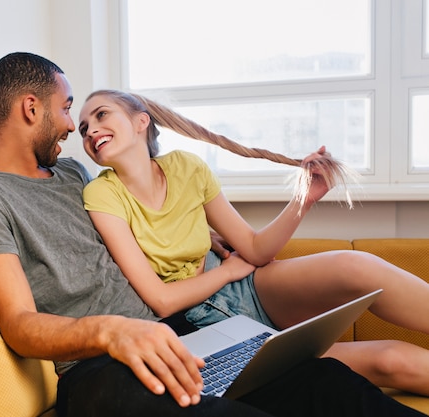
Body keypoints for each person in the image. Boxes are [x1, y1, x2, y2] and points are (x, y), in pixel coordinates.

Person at [0, 51, 427, 417]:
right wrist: (111, 331)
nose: (73, 128)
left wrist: (204, 238)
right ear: (30, 108)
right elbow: (20, 323)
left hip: (183, 337)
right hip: (99, 368)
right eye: (67, 109)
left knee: (325, 382)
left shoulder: (73, 178)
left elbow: (136, 229)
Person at [79, 89, 429, 397]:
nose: (91, 130)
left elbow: (255, 248)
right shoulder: (101, 194)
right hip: (210, 327)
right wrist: (228, 272)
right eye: (83, 128)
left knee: (357, 266)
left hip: (253, 289)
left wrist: (304, 198)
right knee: (390, 361)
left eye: (101, 114)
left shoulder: (187, 166)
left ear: (141, 121)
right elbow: (161, 300)